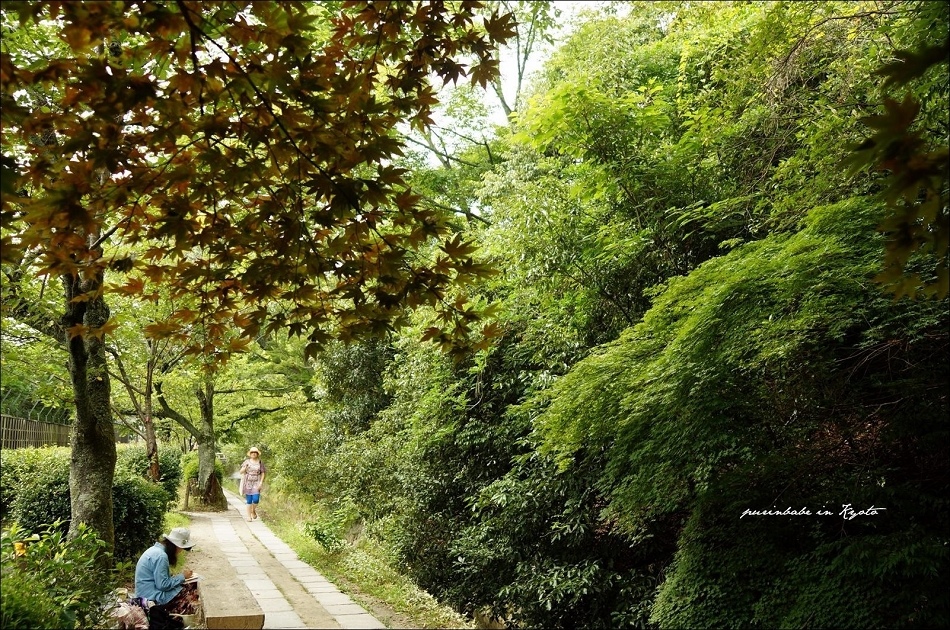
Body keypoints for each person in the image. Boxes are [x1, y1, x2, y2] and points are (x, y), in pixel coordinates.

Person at [134, 527, 197, 613]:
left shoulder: (155, 550)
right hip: (150, 599)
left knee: (185, 586)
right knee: (191, 588)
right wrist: (183, 576)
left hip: (144, 594)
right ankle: (176, 613)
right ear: (176, 546)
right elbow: (163, 585)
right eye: (181, 549)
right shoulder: (161, 556)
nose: (180, 552)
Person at [239, 446, 267, 521]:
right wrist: (245, 468)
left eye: (255, 453)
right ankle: (249, 516)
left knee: (256, 499)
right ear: (250, 454)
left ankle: (253, 510)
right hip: (248, 482)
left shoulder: (260, 462)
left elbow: (263, 473)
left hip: (256, 482)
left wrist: (261, 482)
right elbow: (241, 471)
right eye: (252, 452)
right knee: (249, 500)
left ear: (257, 454)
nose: (254, 454)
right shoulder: (246, 462)